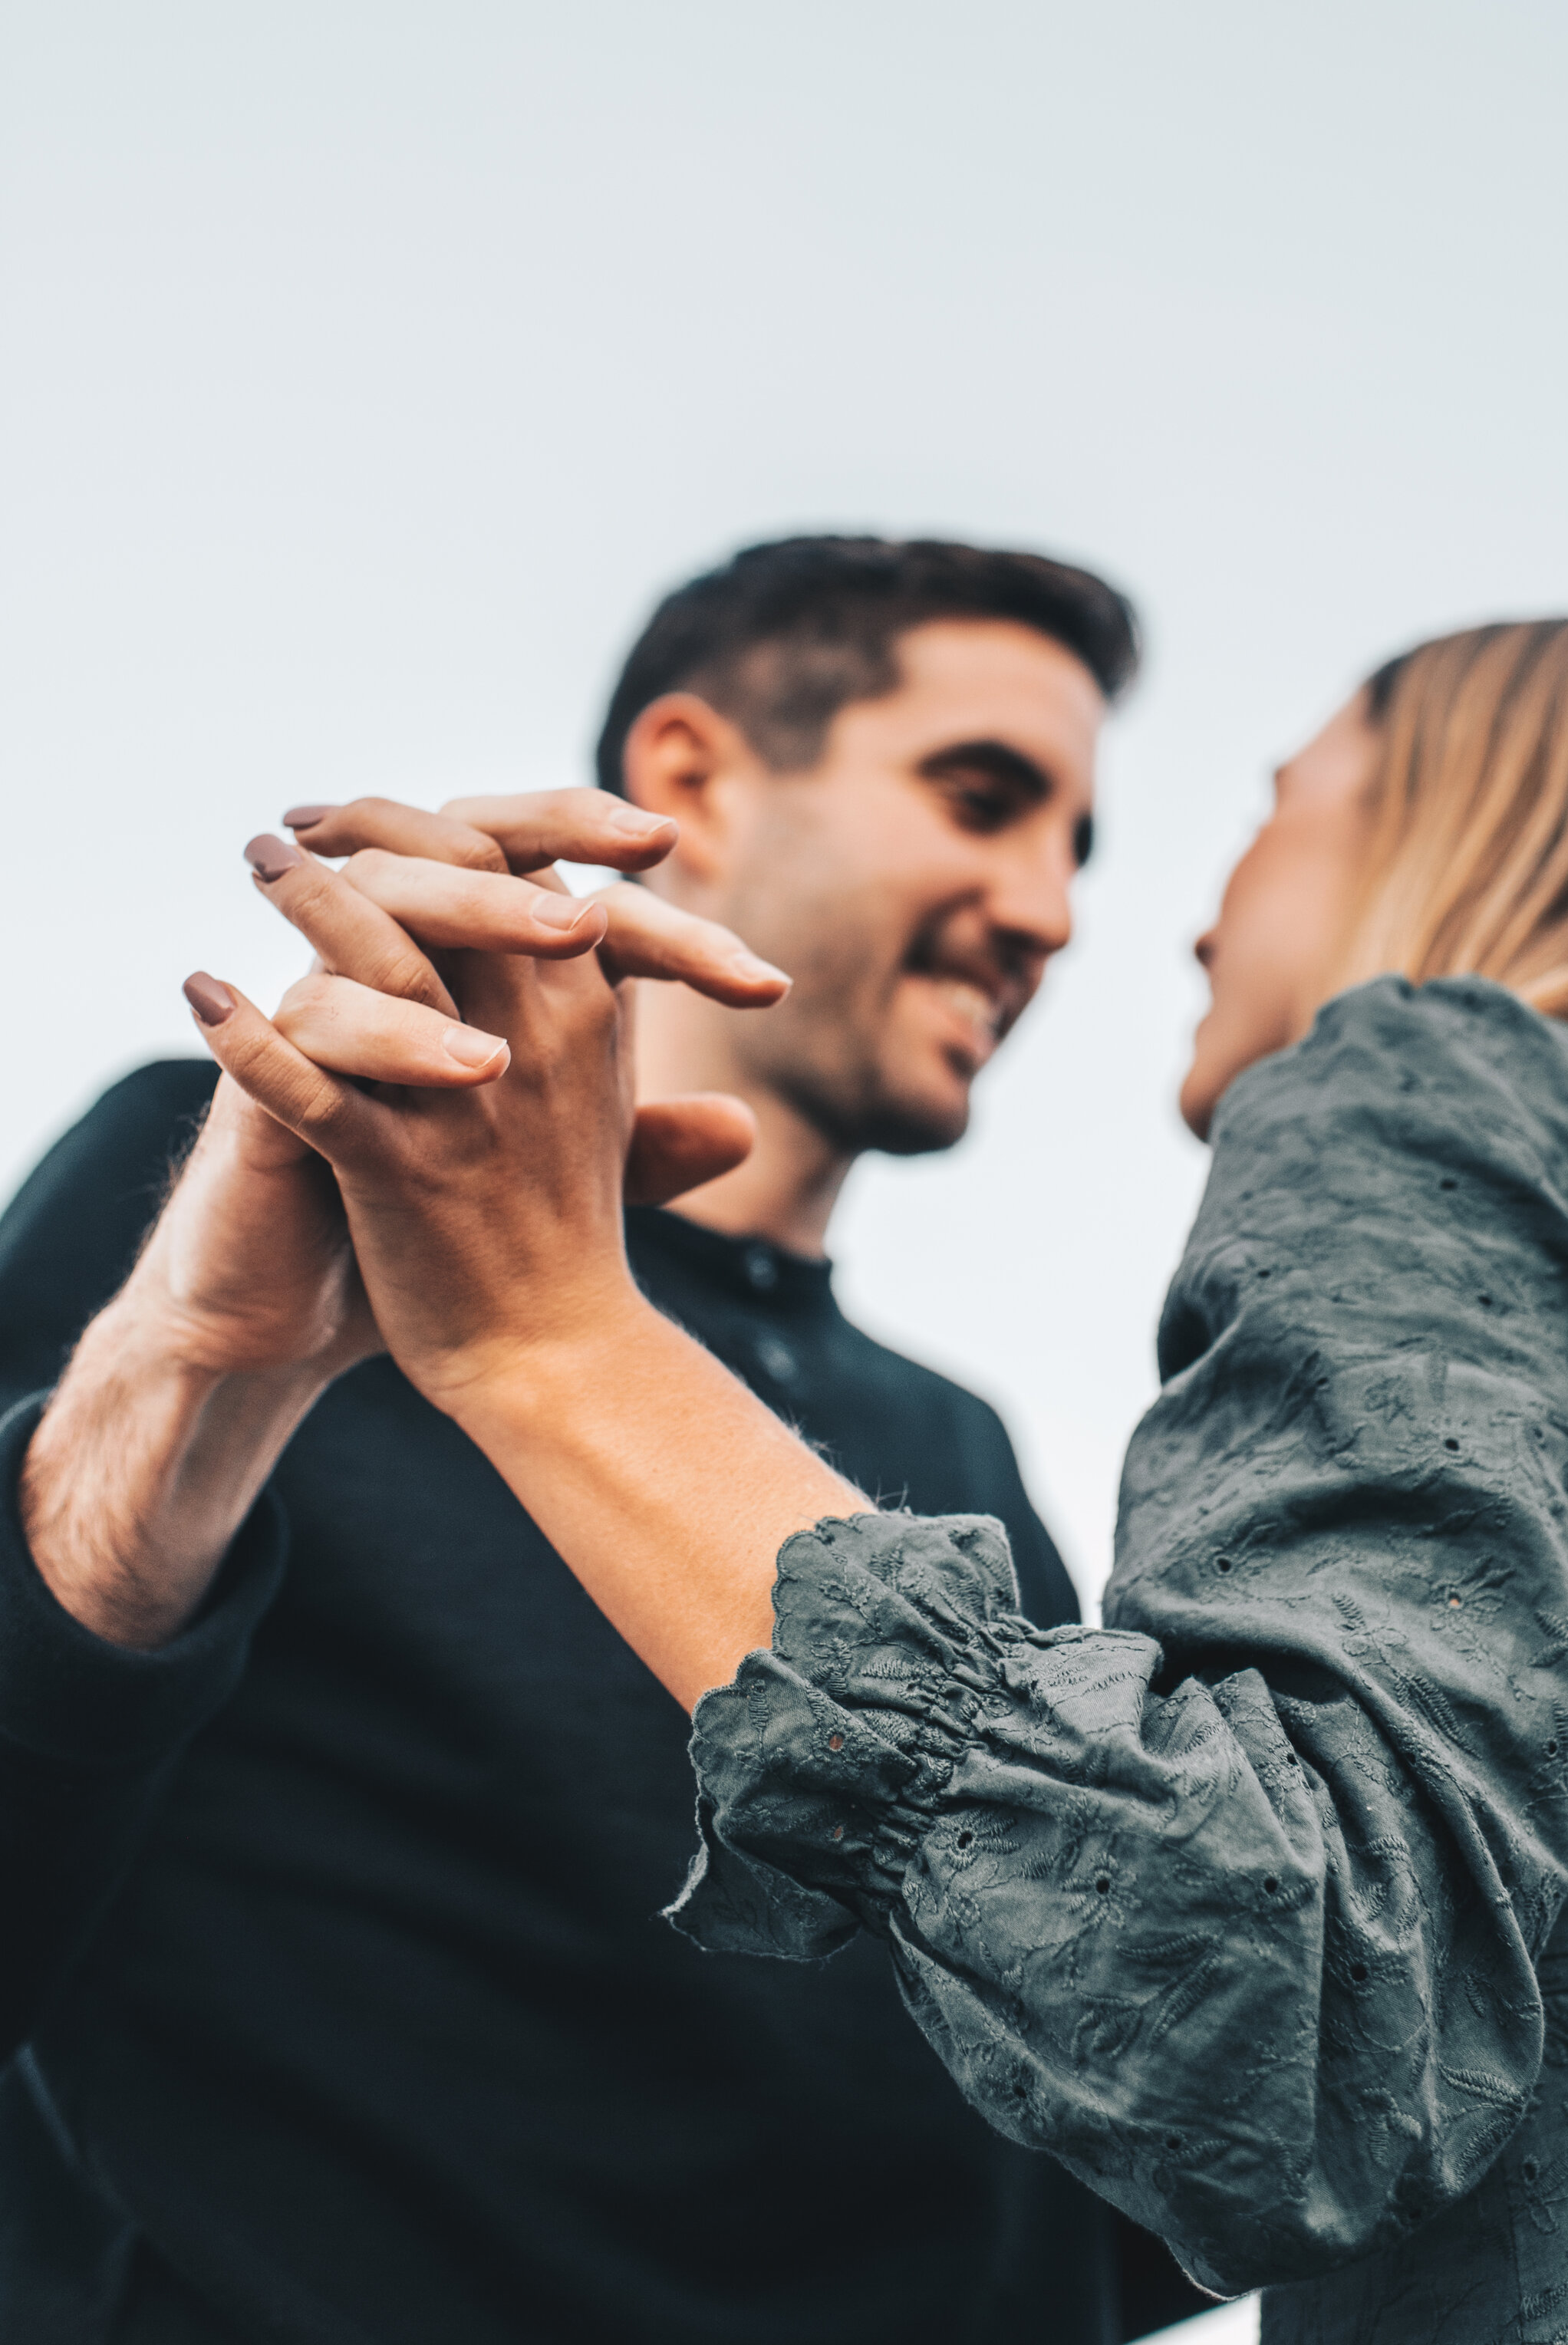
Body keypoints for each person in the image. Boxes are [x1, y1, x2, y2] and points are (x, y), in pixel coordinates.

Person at [185, 617, 1568, 2342]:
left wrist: (546, 1326)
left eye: (1271, 806)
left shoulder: (1429, 1079)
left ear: (1458, 821)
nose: (1165, 913)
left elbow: (1294, 2027)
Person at [0, 535, 1197, 2344]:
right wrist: (199, 1368)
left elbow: (1079, 2127)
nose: (1043, 908)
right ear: (694, 778)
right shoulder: (228, 1187)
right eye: (980, 796)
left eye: (1074, 844)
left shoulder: (950, 1444)